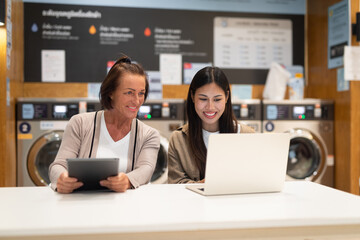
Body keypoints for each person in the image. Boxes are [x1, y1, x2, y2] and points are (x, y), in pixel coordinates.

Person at [49, 56, 160, 193]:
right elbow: (58, 165)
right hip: (81, 203)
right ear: (111, 93)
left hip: (128, 208)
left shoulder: (149, 135)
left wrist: (126, 181)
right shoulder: (80, 123)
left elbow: (146, 169)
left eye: (141, 93)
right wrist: (62, 178)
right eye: (129, 93)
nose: (136, 101)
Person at [167, 67, 255, 184]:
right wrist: (201, 186)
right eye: (203, 99)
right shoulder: (179, 139)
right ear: (192, 97)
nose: (210, 107)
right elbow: (174, 185)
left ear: (227, 97)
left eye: (217, 99)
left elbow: (256, 179)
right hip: (193, 202)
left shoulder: (247, 135)